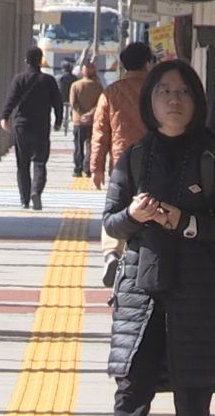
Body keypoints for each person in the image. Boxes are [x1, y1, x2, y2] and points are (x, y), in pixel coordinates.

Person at [100, 60, 215, 416]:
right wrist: (132, 214)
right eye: (164, 92)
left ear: (196, 101)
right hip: (141, 290)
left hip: (200, 292)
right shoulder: (135, 157)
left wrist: (185, 222)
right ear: (150, 101)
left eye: (182, 92)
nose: (173, 100)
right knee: (131, 383)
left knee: (193, 392)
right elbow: (109, 222)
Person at [90, 42, 155, 287]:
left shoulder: (111, 92)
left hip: (120, 163)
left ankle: (111, 254)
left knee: (116, 211)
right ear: (148, 63)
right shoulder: (156, 91)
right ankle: (138, 260)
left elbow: (100, 133)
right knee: (147, 210)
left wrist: (95, 168)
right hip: (153, 160)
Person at [0, 48, 63, 210]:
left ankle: (24, 200)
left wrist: (4, 117)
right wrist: (58, 121)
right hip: (41, 126)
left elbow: (11, 99)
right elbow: (58, 102)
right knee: (40, 162)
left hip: (22, 125)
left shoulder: (19, 79)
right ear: (41, 60)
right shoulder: (48, 80)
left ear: (26, 61)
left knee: (23, 164)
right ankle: (37, 191)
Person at [69, 61, 103, 177]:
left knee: (78, 146)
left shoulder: (75, 85)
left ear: (82, 71)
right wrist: (90, 113)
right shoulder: (98, 86)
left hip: (78, 121)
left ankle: (77, 169)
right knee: (90, 145)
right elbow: (100, 103)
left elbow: (73, 103)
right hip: (92, 121)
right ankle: (87, 168)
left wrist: (82, 114)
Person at [57, 60, 79, 137]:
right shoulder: (75, 78)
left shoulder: (59, 77)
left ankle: (60, 120)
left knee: (60, 108)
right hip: (71, 99)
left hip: (61, 99)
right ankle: (71, 116)